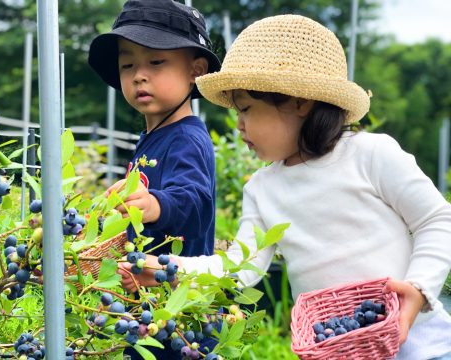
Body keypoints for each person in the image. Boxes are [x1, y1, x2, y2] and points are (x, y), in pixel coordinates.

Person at [119, 14, 451, 360]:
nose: (239, 126)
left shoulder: (370, 155)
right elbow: (240, 269)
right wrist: (167, 269)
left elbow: (436, 219)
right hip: (337, 349)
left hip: (424, 347)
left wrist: (417, 289)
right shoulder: (263, 189)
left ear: (299, 102)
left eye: (246, 108)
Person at [88, 0, 220, 358]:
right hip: (150, 308)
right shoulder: (154, 136)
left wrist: (154, 203)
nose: (138, 74)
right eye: (127, 63)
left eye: (156, 61)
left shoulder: (187, 138)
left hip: (180, 312)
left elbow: (193, 201)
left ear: (196, 69)